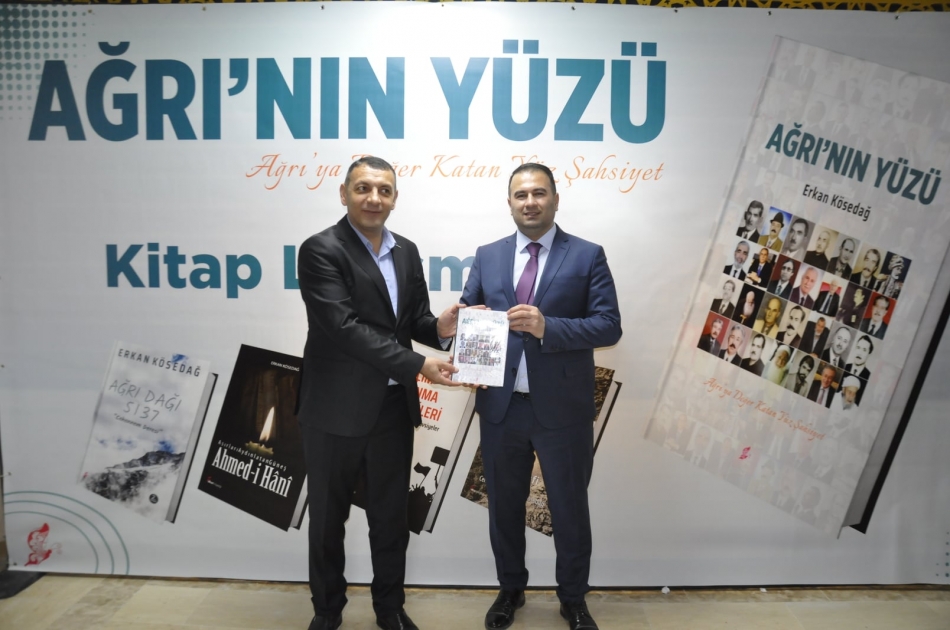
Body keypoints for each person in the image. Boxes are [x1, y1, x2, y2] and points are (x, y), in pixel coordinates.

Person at [296, 156, 462, 630]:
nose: (374, 198)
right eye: (363, 188)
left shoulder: (406, 250)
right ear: (344, 193)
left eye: (384, 190)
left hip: (391, 408)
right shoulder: (320, 249)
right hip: (334, 408)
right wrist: (418, 365)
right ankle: (327, 611)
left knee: (390, 519)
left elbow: (410, 322)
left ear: (394, 198)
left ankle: (389, 608)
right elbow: (343, 328)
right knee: (328, 521)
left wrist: (440, 328)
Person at [460, 163, 621, 630]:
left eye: (539, 193)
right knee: (504, 508)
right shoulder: (488, 255)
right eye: (521, 195)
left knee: (569, 510)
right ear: (509, 203)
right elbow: (470, 313)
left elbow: (609, 326)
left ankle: (573, 598)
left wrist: (548, 326)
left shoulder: (588, 255)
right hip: (501, 408)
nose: (529, 202)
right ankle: (510, 590)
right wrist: (465, 346)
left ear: (555, 199)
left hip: (564, 411)